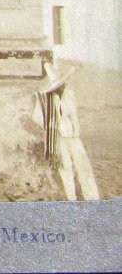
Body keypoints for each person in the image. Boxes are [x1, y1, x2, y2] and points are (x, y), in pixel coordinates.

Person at [34, 63, 99, 201]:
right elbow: (36, 117)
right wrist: (51, 124)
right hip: (59, 138)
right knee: (66, 168)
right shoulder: (47, 100)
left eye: (62, 85)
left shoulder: (70, 95)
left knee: (83, 166)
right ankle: (72, 199)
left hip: (74, 137)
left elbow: (74, 113)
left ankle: (92, 198)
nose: (61, 88)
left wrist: (75, 128)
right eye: (58, 87)